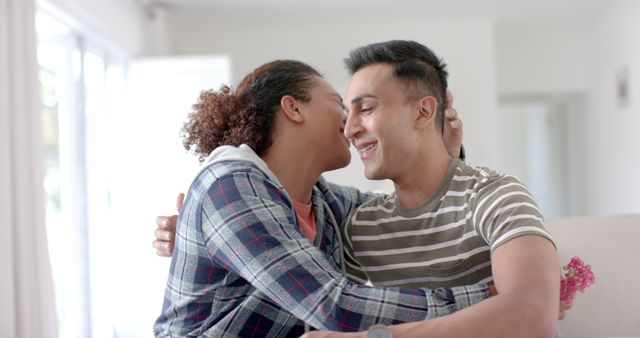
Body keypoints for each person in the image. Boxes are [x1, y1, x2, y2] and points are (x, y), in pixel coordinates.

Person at [153, 59, 490, 338]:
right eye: (339, 104)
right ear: (293, 107)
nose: (352, 122)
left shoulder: (324, 202)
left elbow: (410, 218)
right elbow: (334, 305)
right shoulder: (228, 186)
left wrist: (443, 156)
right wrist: (485, 301)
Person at [298, 40, 561, 337]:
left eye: (367, 108)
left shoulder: (494, 195)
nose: (350, 130)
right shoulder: (361, 228)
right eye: (348, 114)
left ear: (423, 112)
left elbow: (532, 313)